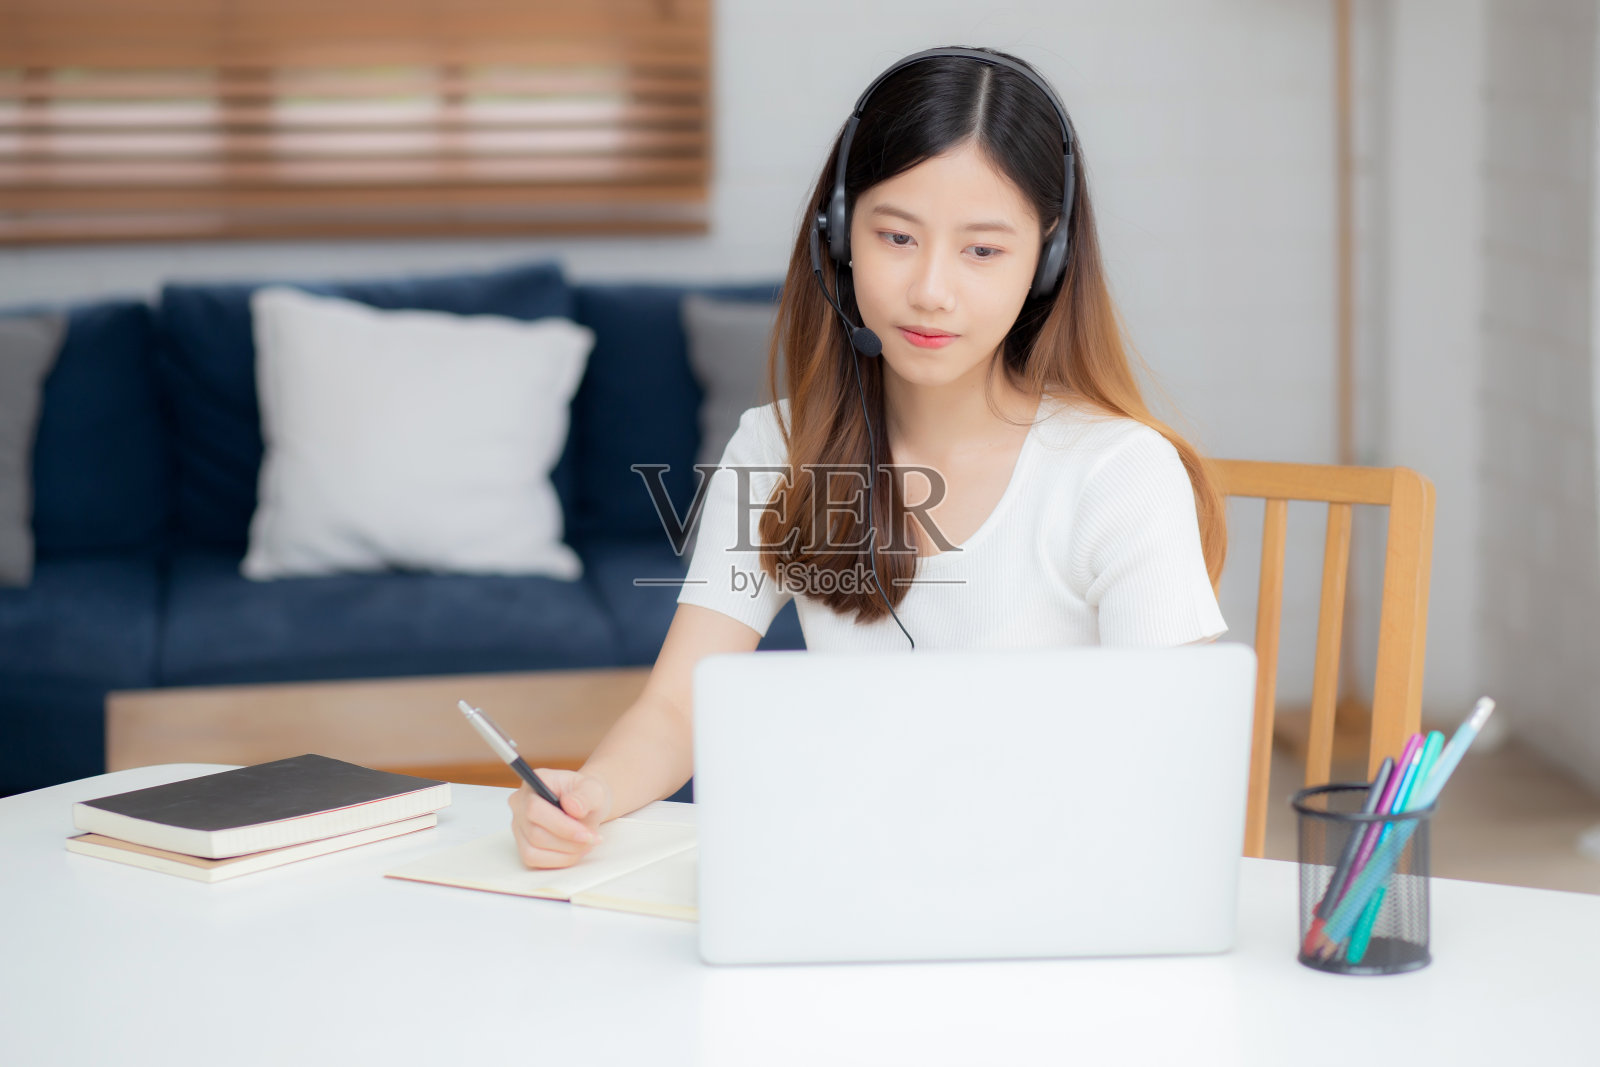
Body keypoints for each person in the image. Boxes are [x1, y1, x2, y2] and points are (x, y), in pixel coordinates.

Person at [509, 46, 1229, 869]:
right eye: (896, 235)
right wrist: (592, 793)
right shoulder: (778, 449)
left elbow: (1171, 770)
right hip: (859, 872)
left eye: (982, 250)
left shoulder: (1119, 473)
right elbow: (678, 708)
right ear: (840, 231)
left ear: (1049, 258)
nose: (930, 290)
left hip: (1055, 883)